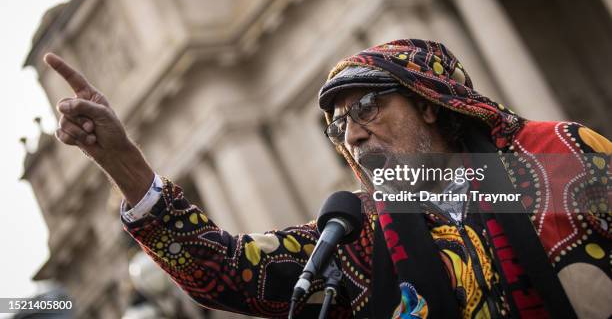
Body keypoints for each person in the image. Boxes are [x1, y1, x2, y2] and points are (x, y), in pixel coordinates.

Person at [45, 39, 611, 318]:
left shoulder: (559, 155)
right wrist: (121, 160)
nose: (353, 135)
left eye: (366, 106)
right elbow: (223, 269)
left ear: (430, 104)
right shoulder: (358, 239)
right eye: (338, 126)